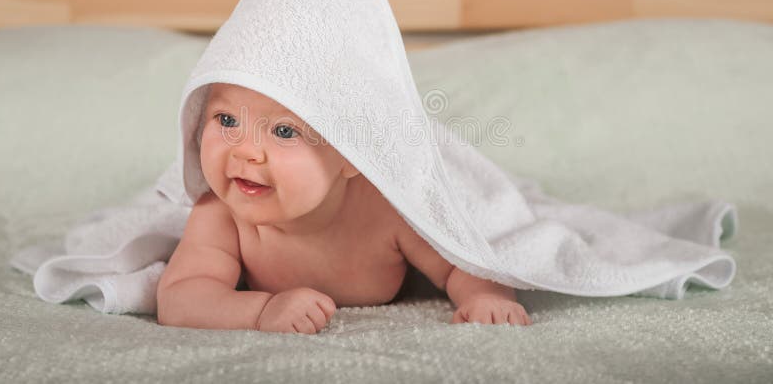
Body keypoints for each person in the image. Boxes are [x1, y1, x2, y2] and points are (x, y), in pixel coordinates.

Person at [156, 82, 533, 333]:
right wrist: (260, 312)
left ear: (352, 155)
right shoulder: (223, 212)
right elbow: (181, 296)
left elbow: (460, 262)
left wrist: (486, 297)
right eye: (226, 120)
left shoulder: (386, 210)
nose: (245, 151)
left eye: (285, 131)